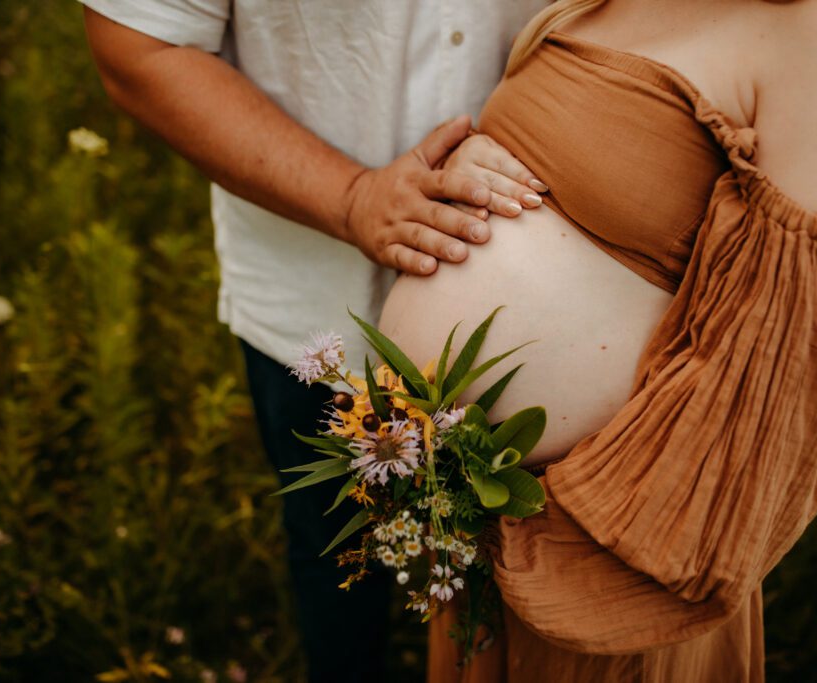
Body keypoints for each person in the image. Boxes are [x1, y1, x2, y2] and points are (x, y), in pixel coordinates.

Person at [375, 0, 817, 680]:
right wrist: (482, 159)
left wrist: (571, 536)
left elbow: (777, 366)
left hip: (606, 546)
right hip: (479, 525)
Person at [77, 2, 551, 681]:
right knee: (337, 559)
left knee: (541, 576)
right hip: (315, 294)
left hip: (562, 313)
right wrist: (351, 197)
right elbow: (140, 44)